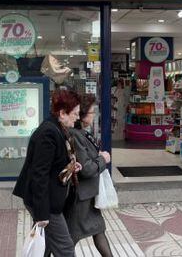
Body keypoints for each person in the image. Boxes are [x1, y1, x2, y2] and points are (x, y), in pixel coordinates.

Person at [13, 89, 82, 257]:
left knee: (43, 245)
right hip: (46, 202)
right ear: (62, 113)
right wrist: (42, 214)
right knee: (65, 248)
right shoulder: (48, 133)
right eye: (75, 113)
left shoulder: (58, 127)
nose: (78, 117)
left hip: (49, 199)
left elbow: (53, 165)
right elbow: (39, 174)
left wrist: (71, 166)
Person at [64, 93, 113, 257]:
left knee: (99, 230)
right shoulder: (76, 135)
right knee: (70, 238)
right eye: (92, 112)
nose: (94, 115)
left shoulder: (82, 133)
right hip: (81, 198)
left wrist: (97, 156)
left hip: (89, 195)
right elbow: (86, 169)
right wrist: (103, 159)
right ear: (82, 115)